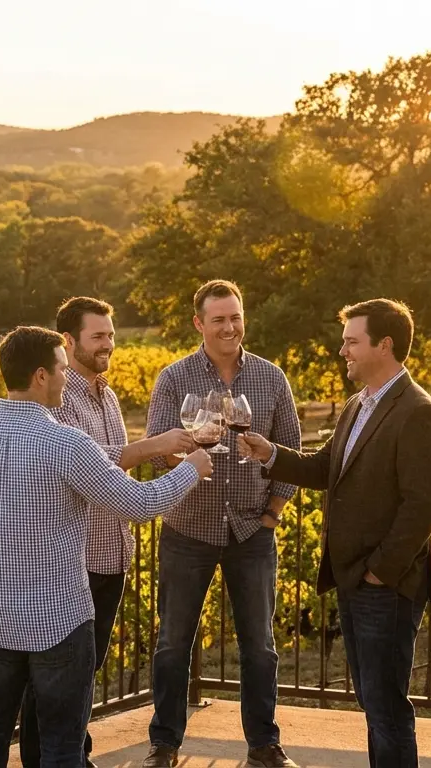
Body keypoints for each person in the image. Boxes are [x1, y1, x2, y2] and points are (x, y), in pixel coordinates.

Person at [0, 325, 213, 768]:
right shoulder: (64, 443)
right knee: (62, 746)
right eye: (63, 368)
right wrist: (193, 468)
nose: (68, 377)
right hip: (59, 623)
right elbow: (139, 504)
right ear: (41, 375)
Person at [238, 298, 431, 768]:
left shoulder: (417, 411)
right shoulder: (359, 403)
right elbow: (324, 466)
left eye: (352, 341)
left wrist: (379, 573)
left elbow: (423, 506)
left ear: (384, 345)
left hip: (384, 586)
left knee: (386, 708)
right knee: (374, 705)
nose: (342, 350)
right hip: (355, 579)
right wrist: (268, 452)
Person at [16, 297, 197, 768]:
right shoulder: (58, 397)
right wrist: (157, 444)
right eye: (98, 336)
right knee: (54, 677)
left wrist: (167, 458)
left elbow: (116, 468)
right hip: (75, 557)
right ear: (69, 341)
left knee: (83, 672)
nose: (109, 344)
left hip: (111, 553)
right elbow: (95, 463)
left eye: (111, 335)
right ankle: (48, 758)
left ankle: (74, 753)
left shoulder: (106, 393)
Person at [143, 280, 302, 768]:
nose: (229, 326)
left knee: (260, 648)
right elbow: (155, 452)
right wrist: (188, 455)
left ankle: (264, 746)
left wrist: (272, 516)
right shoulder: (174, 378)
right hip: (188, 530)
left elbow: (290, 457)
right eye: (219, 319)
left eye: (235, 317)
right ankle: (164, 746)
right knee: (173, 644)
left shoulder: (272, 378)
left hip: (252, 532)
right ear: (199, 324)